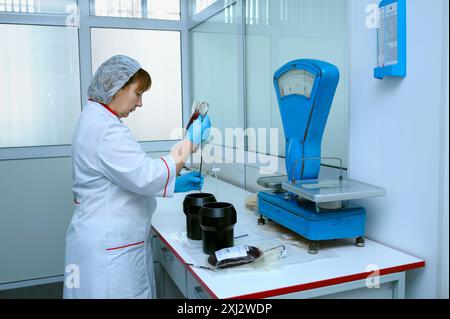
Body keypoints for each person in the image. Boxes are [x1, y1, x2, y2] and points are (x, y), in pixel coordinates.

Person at [63, 55, 211, 299]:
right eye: (138, 93)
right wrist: (190, 141)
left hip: (102, 238)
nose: (140, 103)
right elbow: (147, 175)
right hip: (109, 250)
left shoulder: (95, 118)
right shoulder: (105, 129)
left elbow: (126, 175)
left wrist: (174, 181)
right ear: (116, 87)